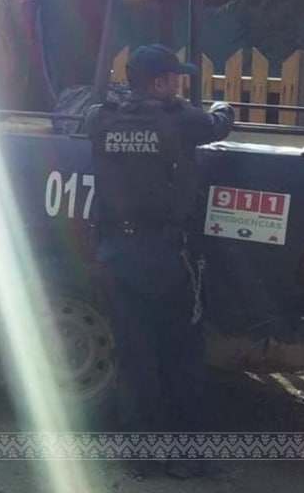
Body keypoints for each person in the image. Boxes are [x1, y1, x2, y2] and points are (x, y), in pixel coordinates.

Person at [82, 44, 233, 479]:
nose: (180, 84)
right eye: (175, 78)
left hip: (115, 253)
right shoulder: (181, 120)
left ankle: (142, 456)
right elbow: (219, 124)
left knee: (134, 355)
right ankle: (188, 457)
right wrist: (221, 104)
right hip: (165, 257)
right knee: (180, 355)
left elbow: (87, 113)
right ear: (159, 83)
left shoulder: (102, 118)